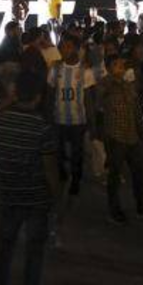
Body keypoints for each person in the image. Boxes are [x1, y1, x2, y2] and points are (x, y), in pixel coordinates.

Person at [0, 70, 60, 285]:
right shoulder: (42, 128)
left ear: (16, 92)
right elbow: (50, 168)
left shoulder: (1, 119)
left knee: (5, 242)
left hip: (8, 191)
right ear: (39, 96)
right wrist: (56, 195)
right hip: (35, 196)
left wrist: (12, 97)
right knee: (34, 248)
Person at [97, 53, 143, 224]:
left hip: (132, 136)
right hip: (115, 136)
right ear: (108, 68)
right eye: (116, 65)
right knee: (115, 175)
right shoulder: (105, 84)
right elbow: (99, 103)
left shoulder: (128, 84)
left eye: (122, 65)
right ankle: (114, 209)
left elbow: (136, 110)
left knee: (139, 173)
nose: (121, 67)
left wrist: (141, 133)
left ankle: (142, 205)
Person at [47, 34, 95, 202]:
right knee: (59, 152)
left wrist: (91, 122)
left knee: (77, 153)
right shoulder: (55, 69)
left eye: (68, 47)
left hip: (78, 120)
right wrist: (48, 116)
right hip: (58, 118)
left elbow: (88, 98)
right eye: (62, 47)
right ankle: (62, 174)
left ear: (76, 48)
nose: (64, 50)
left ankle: (75, 179)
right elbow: (50, 93)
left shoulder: (85, 71)